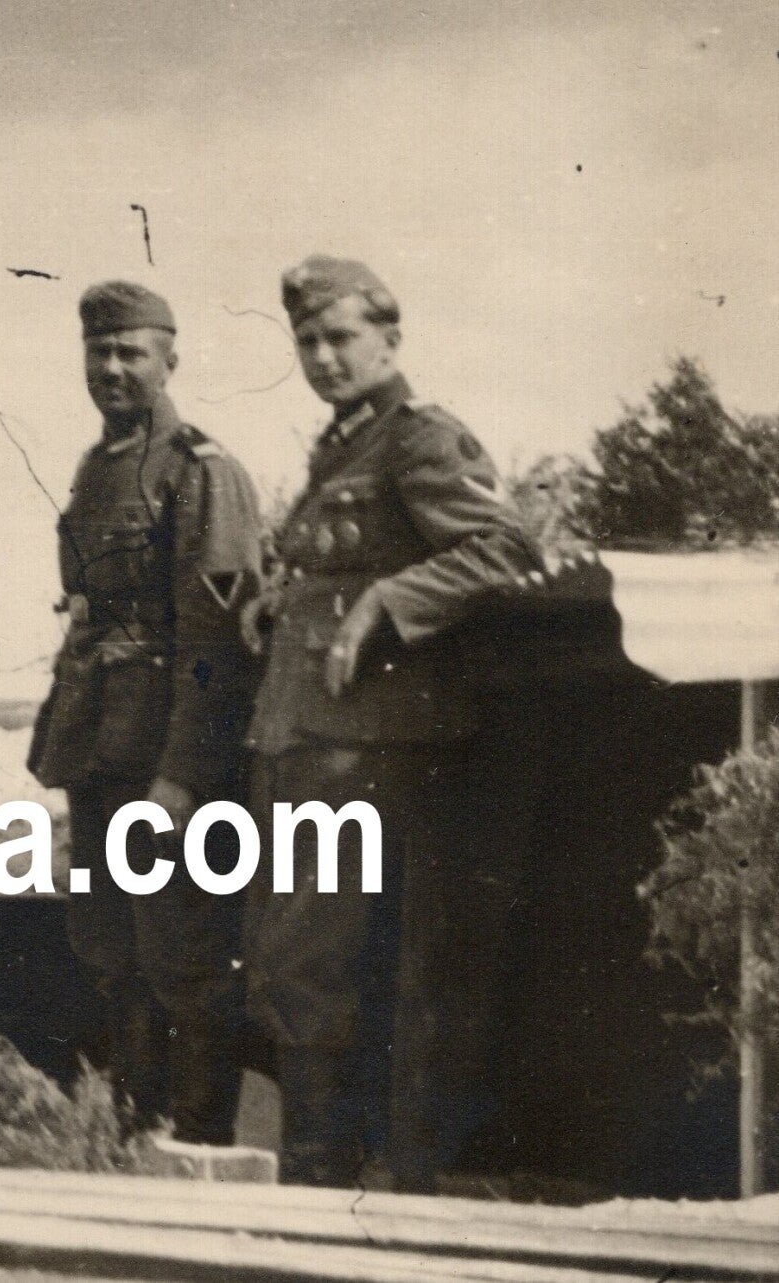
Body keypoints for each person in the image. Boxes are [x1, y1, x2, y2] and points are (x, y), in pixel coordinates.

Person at [241, 255, 540, 1190]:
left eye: (340, 337)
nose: (323, 357)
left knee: (312, 960)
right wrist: (282, 603)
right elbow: (336, 568)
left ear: (389, 339)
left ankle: (323, 1176)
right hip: (309, 740)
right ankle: (324, 1169)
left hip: (365, 750)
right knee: (296, 955)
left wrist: (383, 602)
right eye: (307, 341)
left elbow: (503, 546)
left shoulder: (419, 438)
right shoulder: (341, 447)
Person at [27, 280, 263, 1145]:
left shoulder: (200, 471)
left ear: (170, 361)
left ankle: (196, 1147)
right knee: (110, 953)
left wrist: (183, 776)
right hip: (98, 750)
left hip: (166, 763)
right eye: (99, 351)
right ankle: (134, 1137)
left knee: (183, 958)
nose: (112, 367)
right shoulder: (97, 469)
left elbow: (217, 643)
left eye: (131, 351)